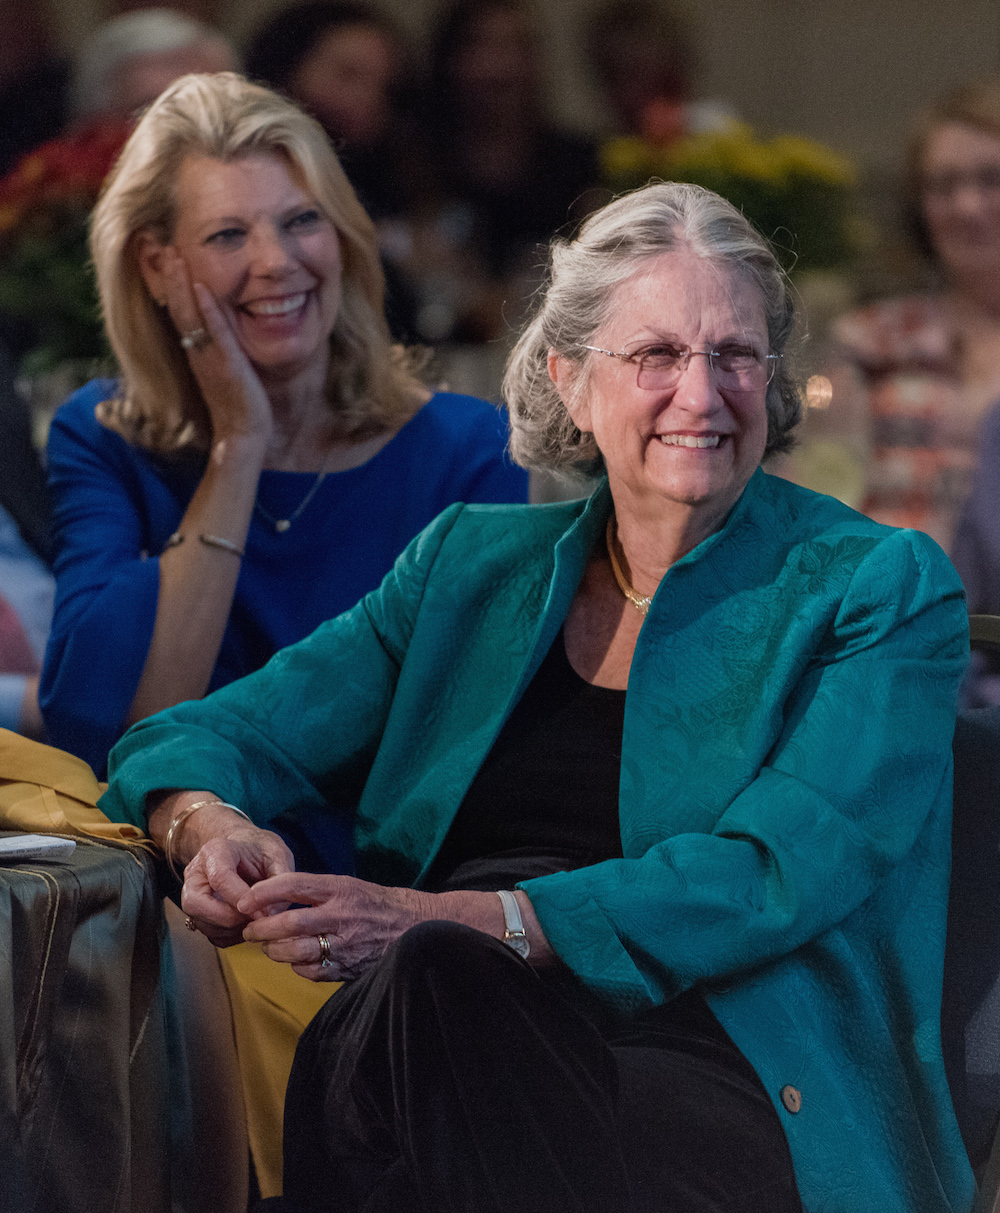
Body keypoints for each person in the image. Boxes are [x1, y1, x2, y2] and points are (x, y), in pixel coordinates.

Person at [99, 182, 972, 1213]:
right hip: (437, 1034)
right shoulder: (469, 566)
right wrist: (208, 825)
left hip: (728, 1065)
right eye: (656, 355)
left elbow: (772, 874)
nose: (701, 394)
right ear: (569, 380)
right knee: (428, 1007)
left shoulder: (875, 583)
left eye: (734, 354)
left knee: (424, 995)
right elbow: (202, 733)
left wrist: (466, 920)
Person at [40, 72, 527, 788]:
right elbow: (122, 730)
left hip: (391, 873)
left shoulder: (467, 450)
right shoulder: (104, 439)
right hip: (177, 865)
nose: (276, 261)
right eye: (229, 234)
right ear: (156, 266)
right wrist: (238, 446)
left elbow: (464, 747)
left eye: (302, 221)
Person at [793, 78, 1000, 555]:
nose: (967, 206)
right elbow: (808, 493)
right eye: (944, 185)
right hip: (886, 616)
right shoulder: (869, 341)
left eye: (992, 178)